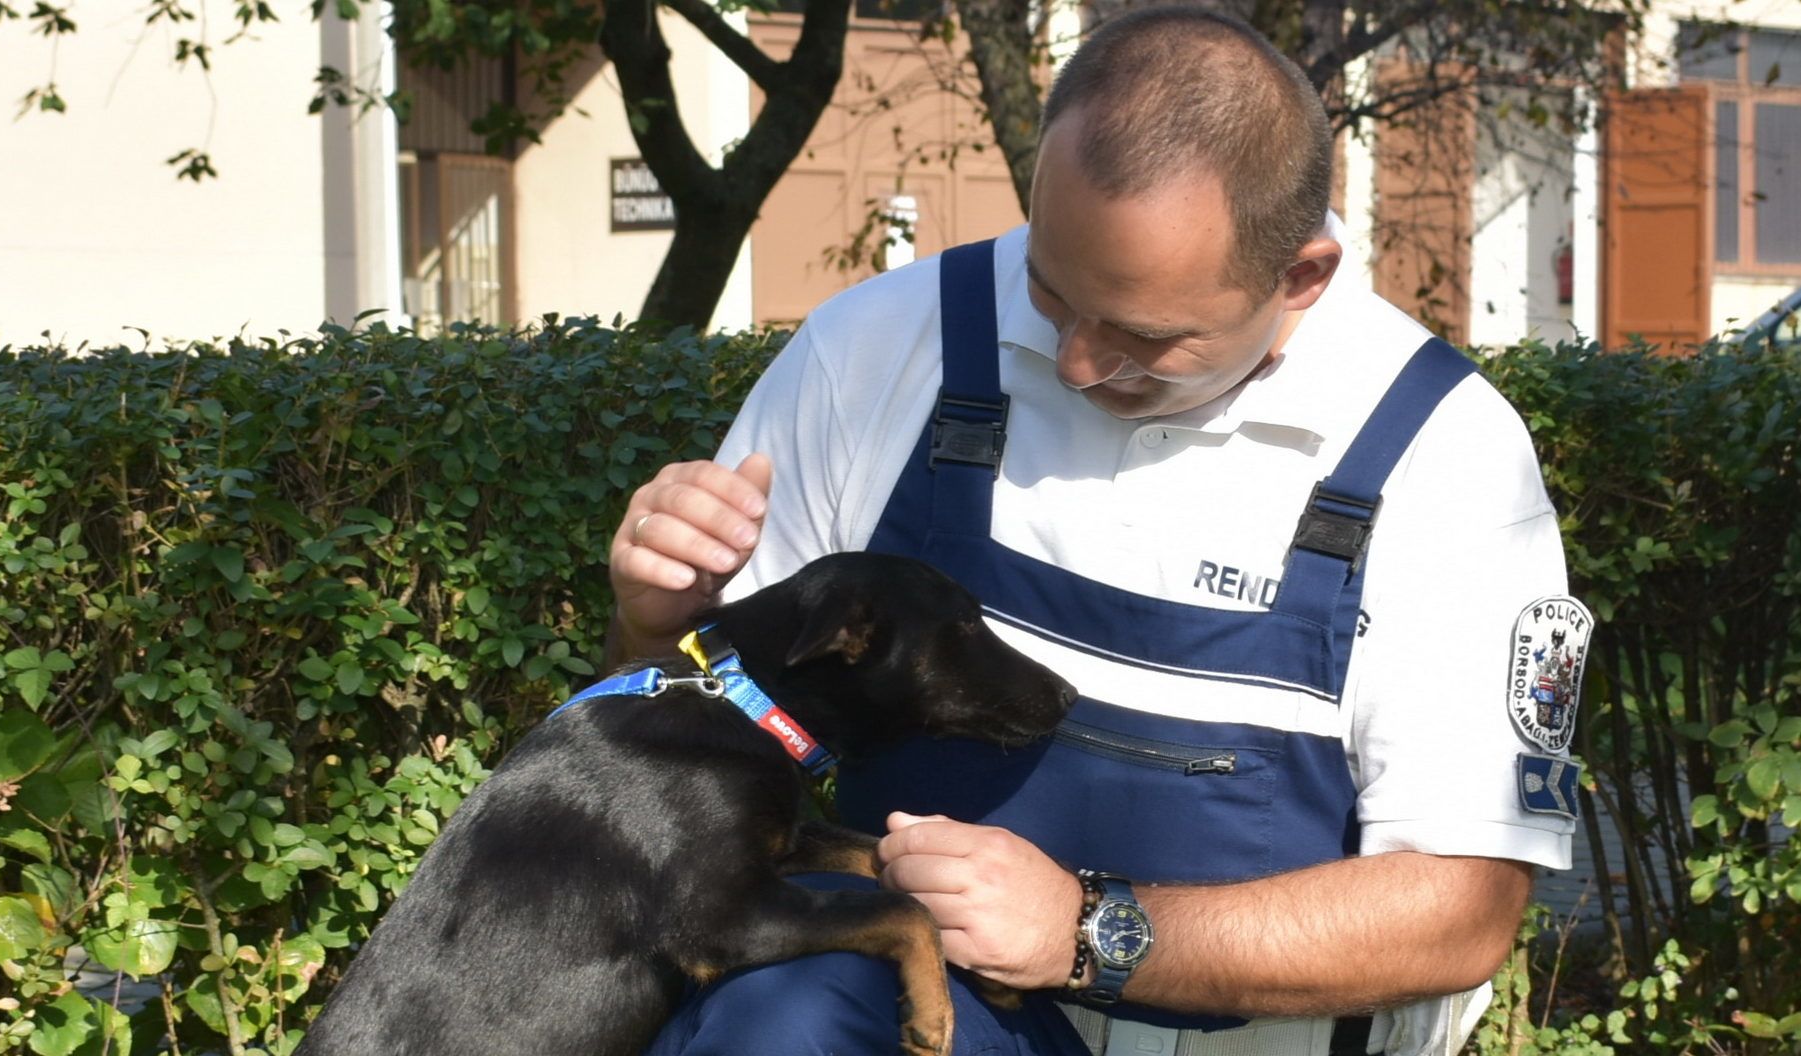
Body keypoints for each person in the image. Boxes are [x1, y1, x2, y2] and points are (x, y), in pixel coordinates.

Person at [606, 7, 1589, 1055]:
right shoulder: (882, 343)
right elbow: (684, 755)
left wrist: (1089, 930)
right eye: (1048, 287)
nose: (1073, 362)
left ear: (1300, 276)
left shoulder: (1444, 458)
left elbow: (1461, 909)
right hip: (892, 1013)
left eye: (1144, 336)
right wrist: (655, 630)